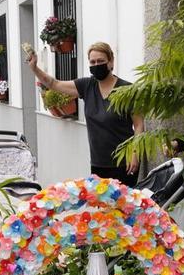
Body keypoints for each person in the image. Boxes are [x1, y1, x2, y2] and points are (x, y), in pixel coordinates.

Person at [27, 41, 144, 186]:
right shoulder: (87, 86)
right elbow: (54, 84)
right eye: (92, 62)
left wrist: (135, 154)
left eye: (100, 61)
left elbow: (139, 125)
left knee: (123, 207)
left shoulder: (127, 89)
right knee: (100, 206)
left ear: (111, 61)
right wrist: (34, 68)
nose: (96, 65)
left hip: (125, 164)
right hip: (98, 163)